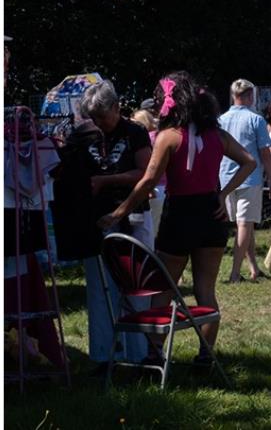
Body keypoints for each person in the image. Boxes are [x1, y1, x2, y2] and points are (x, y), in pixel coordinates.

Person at [100, 71, 255, 366]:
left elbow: (148, 181)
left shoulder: (168, 137)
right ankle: (205, 356)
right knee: (205, 290)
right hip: (211, 214)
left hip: (180, 217)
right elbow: (249, 161)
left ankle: (155, 355)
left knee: (164, 289)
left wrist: (118, 212)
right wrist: (224, 195)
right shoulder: (217, 135)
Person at [61, 81, 155, 371]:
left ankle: (138, 355)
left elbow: (144, 172)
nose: (100, 123)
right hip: (95, 220)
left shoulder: (135, 132)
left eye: (103, 116)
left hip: (133, 215)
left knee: (136, 288)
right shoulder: (83, 134)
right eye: (94, 118)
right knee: (100, 291)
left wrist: (107, 181)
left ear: (116, 107)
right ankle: (102, 357)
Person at [218, 79, 271, 283]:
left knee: (243, 225)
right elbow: (265, 154)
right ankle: (235, 272)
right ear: (250, 95)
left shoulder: (221, 119)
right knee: (244, 224)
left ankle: (253, 268)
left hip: (225, 177)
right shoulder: (256, 119)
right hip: (249, 178)